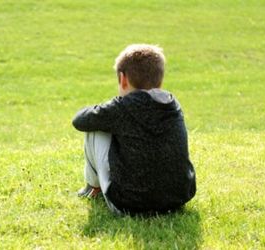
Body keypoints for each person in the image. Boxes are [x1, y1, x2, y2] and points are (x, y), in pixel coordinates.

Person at [72, 44, 196, 215]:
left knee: (94, 127)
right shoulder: (172, 103)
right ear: (160, 79)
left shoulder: (122, 107)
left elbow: (79, 120)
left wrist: (110, 105)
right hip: (177, 200)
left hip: (128, 205)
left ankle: (93, 189)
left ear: (123, 79)